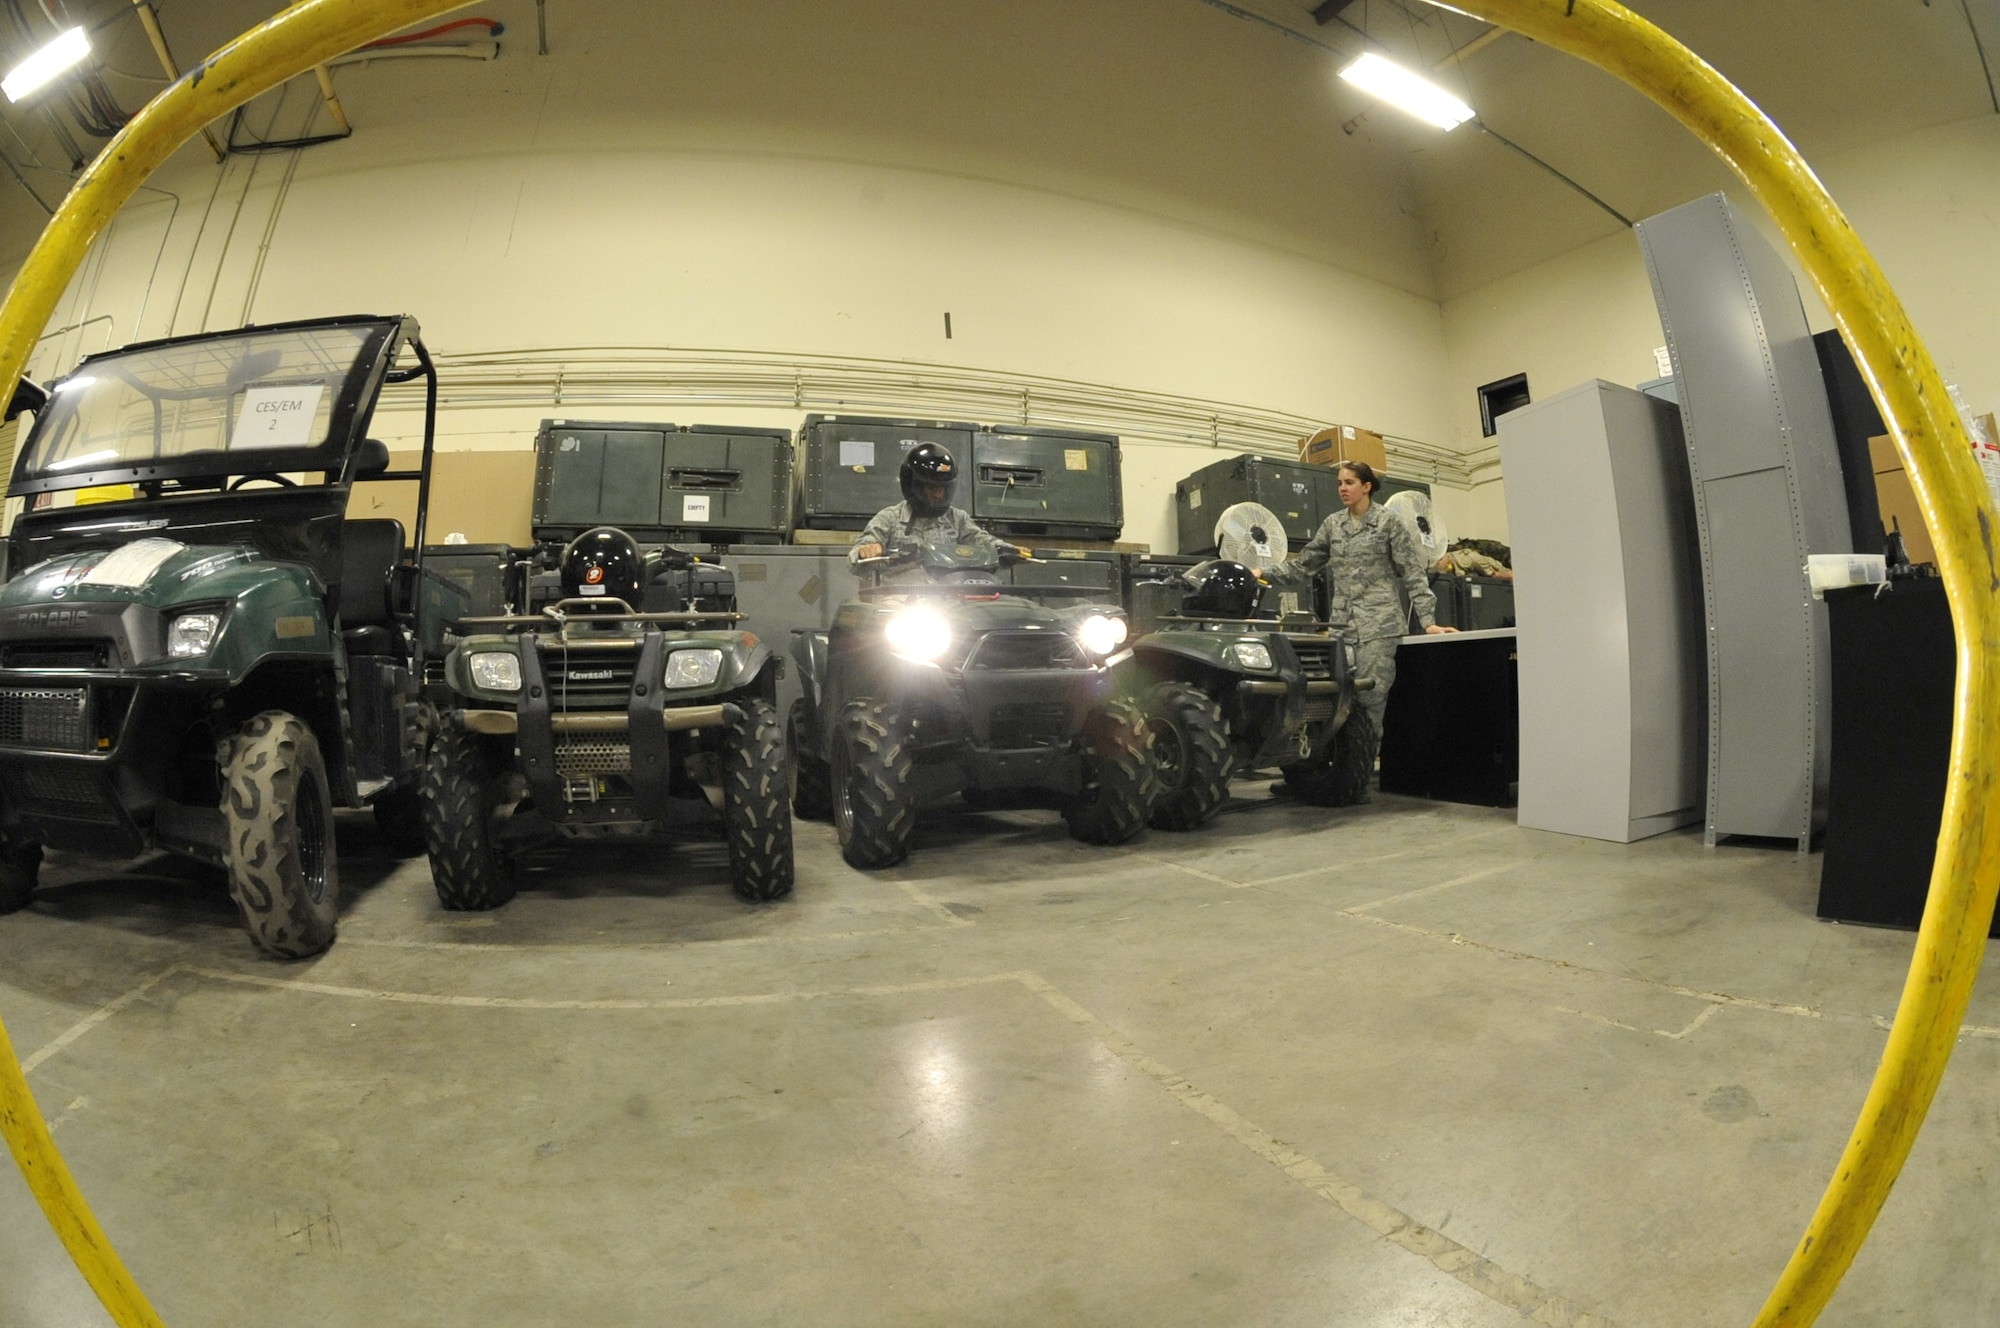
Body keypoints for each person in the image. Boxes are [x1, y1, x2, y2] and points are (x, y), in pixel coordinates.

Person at [1266, 460, 1456, 750]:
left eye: (1349, 482)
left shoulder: (1388, 523)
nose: (1343, 488)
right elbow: (1303, 566)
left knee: (1371, 697)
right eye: (1340, 483)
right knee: (1340, 696)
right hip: (1343, 627)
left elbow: (1413, 573)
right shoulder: (1333, 524)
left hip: (1379, 627)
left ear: (1367, 486)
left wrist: (1428, 620)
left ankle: (1366, 764)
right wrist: (1261, 572)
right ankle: (1341, 765)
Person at [850, 442, 1002, 574]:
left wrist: (1008, 550)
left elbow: (983, 541)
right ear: (912, 485)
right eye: (931, 488)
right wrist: (866, 551)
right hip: (898, 598)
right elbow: (857, 554)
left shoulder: (957, 519)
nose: (938, 495)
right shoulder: (889, 518)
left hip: (947, 597)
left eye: (942, 489)